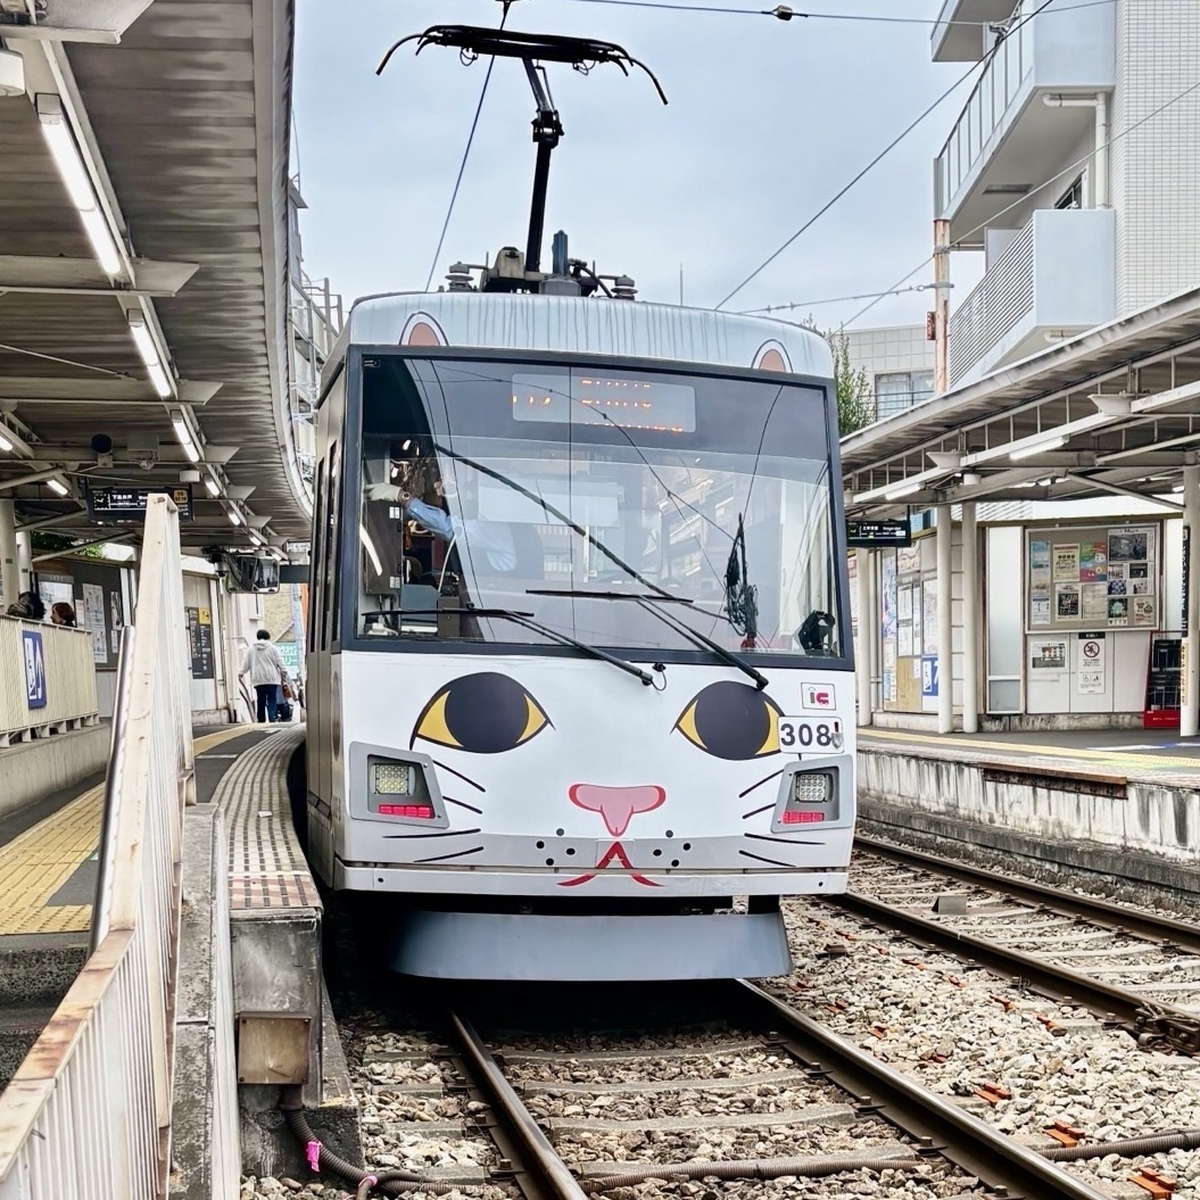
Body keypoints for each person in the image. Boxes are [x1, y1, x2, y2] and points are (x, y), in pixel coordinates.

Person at [366, 481, 517, 572]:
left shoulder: (504, 534)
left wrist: (401, 496)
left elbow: (449, 528)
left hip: (469, 592)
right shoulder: (512, 531)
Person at [241, 629, 289, 724]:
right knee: (272, 699)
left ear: (258, 637)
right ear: (268, 637)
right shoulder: (272, 648)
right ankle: (272, 718)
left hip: (258, 679)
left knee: (261, 699)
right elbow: (280, 662)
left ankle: (261, 720)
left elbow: (245, 664)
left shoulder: (251, 649)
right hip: (272, 679)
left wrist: (240, 673)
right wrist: (284, 673)